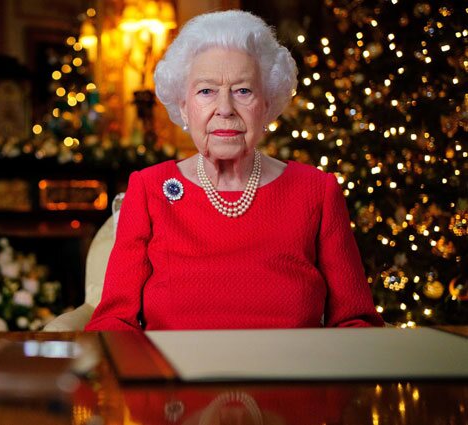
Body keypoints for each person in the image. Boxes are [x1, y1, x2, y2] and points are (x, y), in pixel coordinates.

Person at [85, 10, 384, 331]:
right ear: (184, 106)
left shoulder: (316, 190)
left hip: (289, 377)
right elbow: (114, 322)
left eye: (243, 91)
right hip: (175, 377)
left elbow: (356, 321)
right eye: (206, 91)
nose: (225, 109)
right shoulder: (149, 188)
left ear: (267, 104)